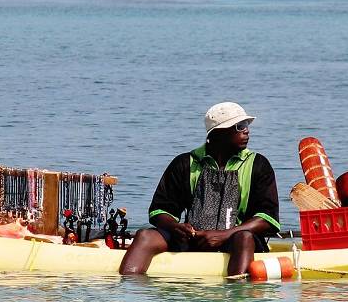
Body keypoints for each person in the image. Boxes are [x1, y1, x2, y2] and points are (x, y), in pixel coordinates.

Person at [119, 102, 281, 276]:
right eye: (239, 126)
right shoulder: (185, 163)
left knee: (244, 237)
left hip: (236, 239)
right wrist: (176, 227)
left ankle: (236, 297)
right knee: (145, 235)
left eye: (247, 125)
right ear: (218, 133)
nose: (246, 130)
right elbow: (160, 210)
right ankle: (129, 291)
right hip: (191, 239)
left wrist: (224, 235)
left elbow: (267, 217)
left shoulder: (258, 165)